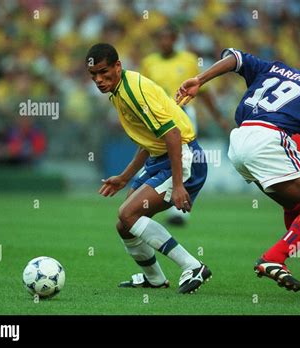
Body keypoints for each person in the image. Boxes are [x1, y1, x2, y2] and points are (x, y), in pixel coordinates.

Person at [176, 48, 300, 292]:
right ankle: (274, 257)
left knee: (294, 206)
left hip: (239, 141)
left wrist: (200, 80)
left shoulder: (278, 68)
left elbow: (236, 58)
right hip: (268, 139)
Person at [86, 43, 211, 294]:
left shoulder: (133, 92)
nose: (99, 80)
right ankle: (154, 279)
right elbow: (150, 140)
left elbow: (173, 135)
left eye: (103, 72)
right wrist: (124, 177)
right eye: (93, 76)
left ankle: (193, 266)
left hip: (184, 156)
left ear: (118, 66)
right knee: (125, 223)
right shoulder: (118, 91)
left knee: (129, 214)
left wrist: (177, 185)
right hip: (160, 156)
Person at [141, 24, 230, 226]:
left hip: (184, 114)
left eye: (168, 38)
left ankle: (180, 210)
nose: (164, 42)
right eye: (161, 39)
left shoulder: (189, 60)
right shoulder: (149, 63)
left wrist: (218, 116)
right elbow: (143, 91)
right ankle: (150, 198)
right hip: (157, 116)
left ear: (175, 39)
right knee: (159, 156)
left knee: (184, 157)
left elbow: (203, 90)